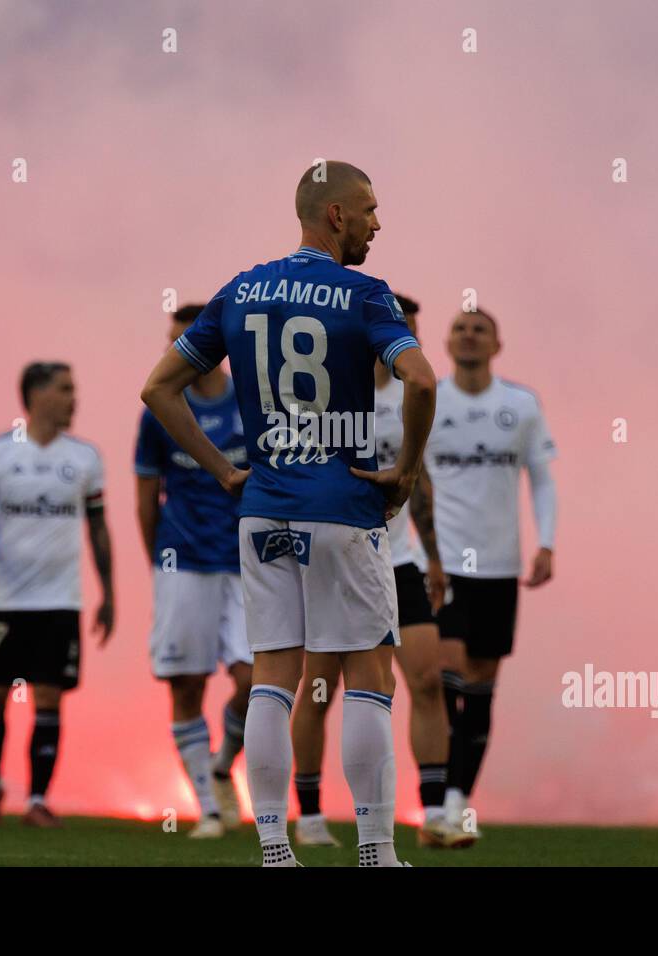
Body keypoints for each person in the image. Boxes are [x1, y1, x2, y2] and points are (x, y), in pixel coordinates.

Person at [141, 160, 436, 867]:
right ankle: (375, 849)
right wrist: (406, 469)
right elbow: (421, 379)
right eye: (368, 208)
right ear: (334, 215)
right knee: (369, 675)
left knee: (275, 676)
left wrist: (222, 471)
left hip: (264, 509)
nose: (377, 222)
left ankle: (273, 845)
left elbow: (158, 388)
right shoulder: (365, 295)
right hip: (342, 508)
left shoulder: (242, 289)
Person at [290, 294, 471, 848]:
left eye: (412, 332)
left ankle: (435, 814)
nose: (404, 343)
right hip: (339, 557)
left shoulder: (412, 398)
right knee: (320, 687)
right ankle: (312, 813)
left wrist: (435, 556)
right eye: (399, 330)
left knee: (427, 679)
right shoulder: (331, 390)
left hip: (399, 559)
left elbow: (416, 481)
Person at [0, 362, 114, 827]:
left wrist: (109, 591)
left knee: (49, 696)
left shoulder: (85, 458)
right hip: (5, 601)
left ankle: (37, 800)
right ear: (38, 394)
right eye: (66, 389)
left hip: (60, 601)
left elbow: (99, 527)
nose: (74, 398)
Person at [427, 309, 558, 834]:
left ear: (497, 344)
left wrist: (546, 543)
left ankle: (456, 803)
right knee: (442, 670)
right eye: (460, 327)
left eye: (480, 329)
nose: (469, 335)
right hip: (443, 564)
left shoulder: (520, 405)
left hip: (499, 567)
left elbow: (542, 479)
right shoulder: (429, 400)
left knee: (481, 682)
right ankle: (434, 798)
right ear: (446, 341)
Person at [135, 304, 252, 839]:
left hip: (248, 560)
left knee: (254, 682)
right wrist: (160, 565)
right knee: (186, 685)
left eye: (184, 341)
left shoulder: (253, 404)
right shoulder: (159, 411)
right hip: (183, 561)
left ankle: (223, 763)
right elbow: (145, 497)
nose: (174, 352)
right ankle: (207, 807)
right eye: (170, 341)